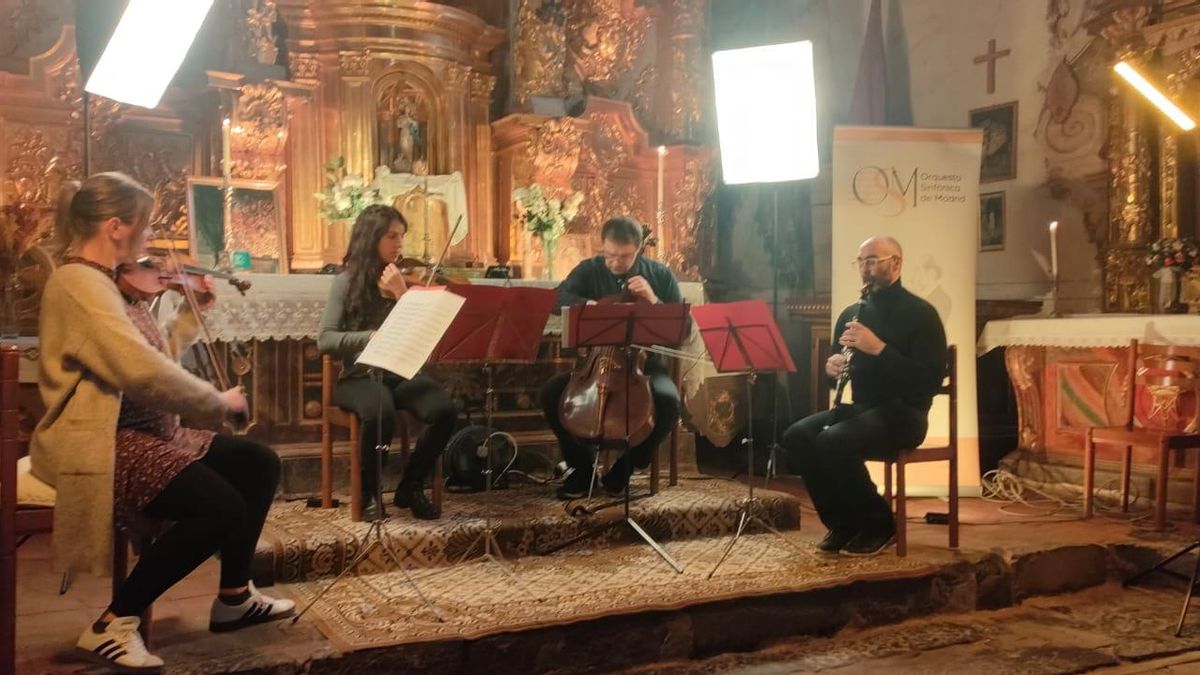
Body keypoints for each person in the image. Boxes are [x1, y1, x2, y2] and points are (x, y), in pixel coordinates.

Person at [30, 173, 292, 674]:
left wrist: (188, 323)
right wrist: (216, 399)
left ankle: (234, 597)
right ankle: (113, 623)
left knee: (258, 463)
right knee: (221, 509)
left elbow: (151, 359)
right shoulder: (79, 283)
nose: (153, 243)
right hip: (101, 438)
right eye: (147, 229)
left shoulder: (109, 284)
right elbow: (139, 371)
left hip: (149, 430)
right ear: (114, 227)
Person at [781, 236, 947, 556]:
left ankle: (880, 524)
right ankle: (843, 523)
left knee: (833, 441)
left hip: (906, 414)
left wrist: (879, 349)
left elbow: (927, 381)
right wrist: (832, 368)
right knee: (797, 435)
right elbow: (838, 376)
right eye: (861, 262)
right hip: (862, 409)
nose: (865, 269)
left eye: (873, 261)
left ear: (896, 264)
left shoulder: (922, 314)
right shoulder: (851, 314)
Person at [317, 204, 457, 520]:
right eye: (392, 236)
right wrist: (367, 337)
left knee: (443, 410)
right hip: (358, 376)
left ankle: (410, 486)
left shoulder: (400, 284)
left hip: (400, 372)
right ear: (371, 238)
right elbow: (325, 339)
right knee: (379, 412)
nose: (399, 244)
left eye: (401, 236)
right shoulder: (346, 282)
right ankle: (368, 495)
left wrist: (400, 294)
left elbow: (417, 336)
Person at [540, 216, 682, 499]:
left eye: (624, 257)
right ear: (602, 247)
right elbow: (556, 299)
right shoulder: (589, 270)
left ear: (639, 249)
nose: (615, 263)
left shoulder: (660, 275)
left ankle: (625, 468)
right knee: (550, 395)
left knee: (669, 403)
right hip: (595, 364)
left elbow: (680, 327)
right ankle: (582, 471)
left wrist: (653, 300)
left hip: (644, 367)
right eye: (609, 255)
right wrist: (587, 305)